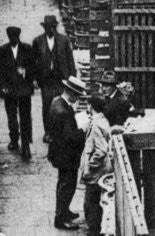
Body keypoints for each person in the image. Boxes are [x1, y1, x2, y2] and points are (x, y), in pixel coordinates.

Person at [48, 76, 88, 230]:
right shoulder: (63, 111)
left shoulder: (57, 102)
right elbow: (70, 137)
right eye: (77, 95)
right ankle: (60, 219)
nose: (77, 99)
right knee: (67, 185)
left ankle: (64, 211)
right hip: (66, 155)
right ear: (71, 93)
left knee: (64, 183)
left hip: (60, 153)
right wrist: (83, 130)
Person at [33, 14, 77, 143]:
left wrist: (72, 80)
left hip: (61, 79)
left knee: (62, 105)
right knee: (47, 106)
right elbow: (33, 62)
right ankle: (48, 132)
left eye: (52, 27)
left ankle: (62, 131)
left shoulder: (64, 40)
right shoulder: (38, 41)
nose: (50, 30)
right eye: (47, 27)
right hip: (46, 80)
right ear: (45, 28)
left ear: (55, 27)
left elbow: (70, 60)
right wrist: (34, 78)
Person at [0, 25, 35, 159]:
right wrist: (2, 87)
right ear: (8, 37)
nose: (13, 39)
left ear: (18, 37)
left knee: (25, 118)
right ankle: (14, 139)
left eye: (15, 37)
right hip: (10, 90)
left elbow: (34, 67)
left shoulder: (27, 49)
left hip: (24, 90)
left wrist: (25, 71)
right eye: (11, 37)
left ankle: (26, 146)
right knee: (11, 117)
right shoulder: (2, 51)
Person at [79, 93, 113, 236]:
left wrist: (89, 166)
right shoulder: (102, 120)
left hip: (96, 171)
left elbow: (100, 150)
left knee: (90, 202)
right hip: (103, 169)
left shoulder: (96, 124)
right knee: (95, 200)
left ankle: (93, 231)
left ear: (91, 106)